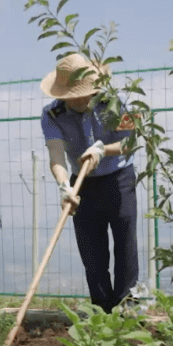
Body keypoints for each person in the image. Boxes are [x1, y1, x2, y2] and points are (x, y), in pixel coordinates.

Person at [39, 53, 139, 315]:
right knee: (92, 252)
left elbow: (132, 142)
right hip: (82, 184)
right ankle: (101, 312)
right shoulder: (52, 114)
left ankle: (127, 308)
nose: (81, 99)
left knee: (125, 243)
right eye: (74, 94)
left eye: (85, 92)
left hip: (120, 179)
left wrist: (102, 150)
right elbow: (56, 155)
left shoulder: (117, 103)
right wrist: (65, 187)